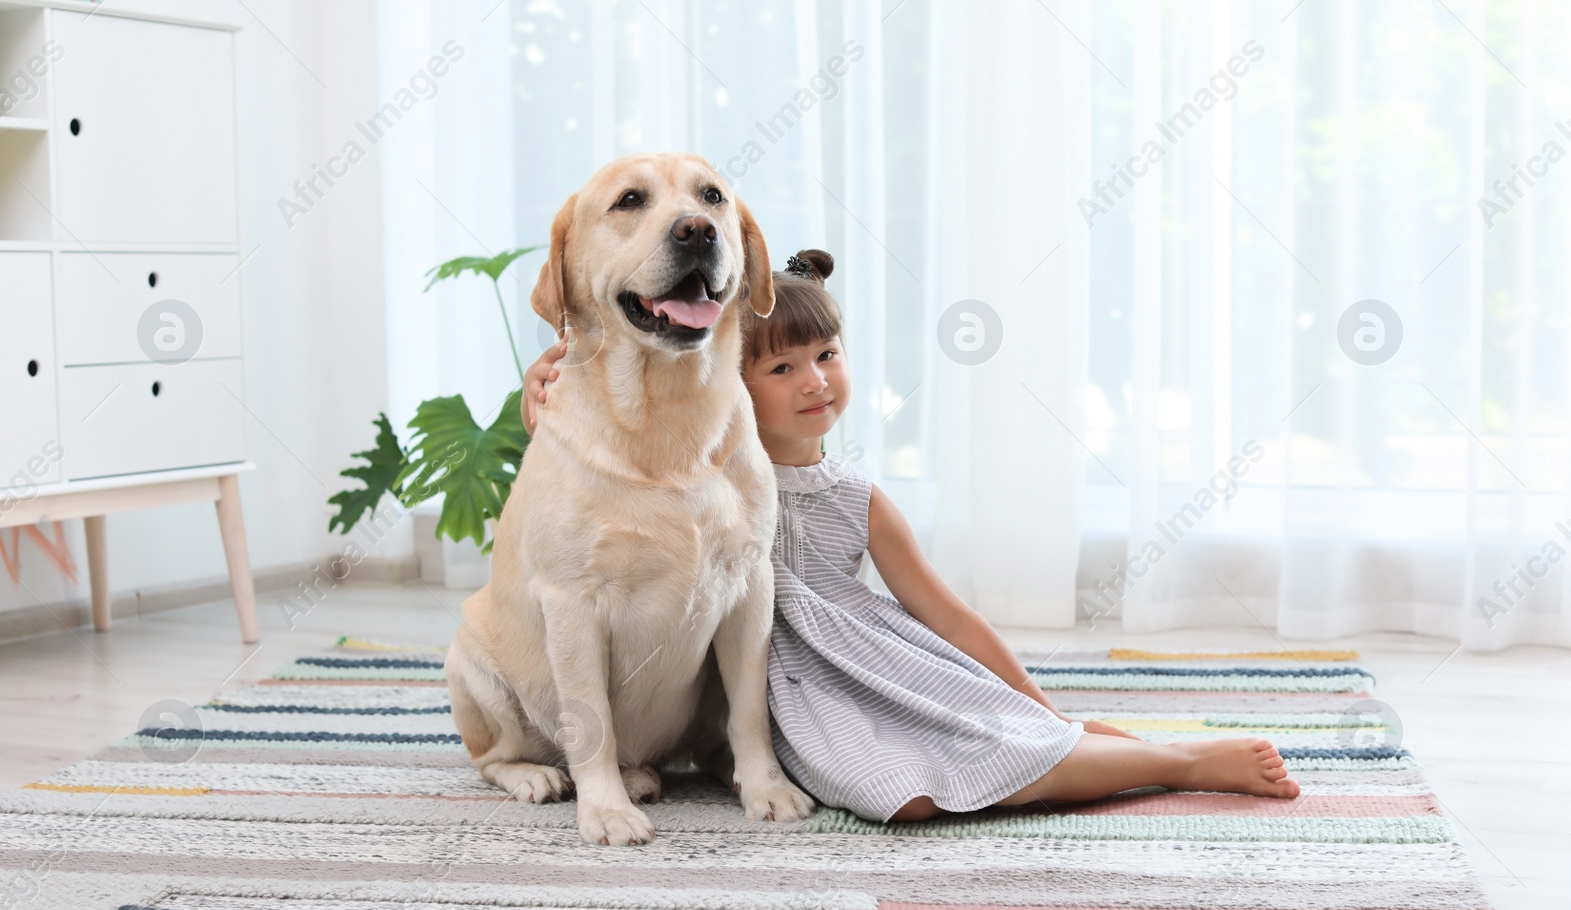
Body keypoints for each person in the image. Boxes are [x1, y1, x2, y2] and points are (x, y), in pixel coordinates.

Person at [520, 248, 1299, 823]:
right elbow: (613, 419)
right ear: (724, 374)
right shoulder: (704, 479)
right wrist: (543, 383)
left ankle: (1176, 759)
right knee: (910, 796)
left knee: (991, 739)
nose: (815, 381)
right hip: (794, 691)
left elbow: (943, 610)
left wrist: (1028, 695)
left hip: (876, 666)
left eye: (826, 356)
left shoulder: (852, 494)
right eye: (782, 368)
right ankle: (1098, 751)